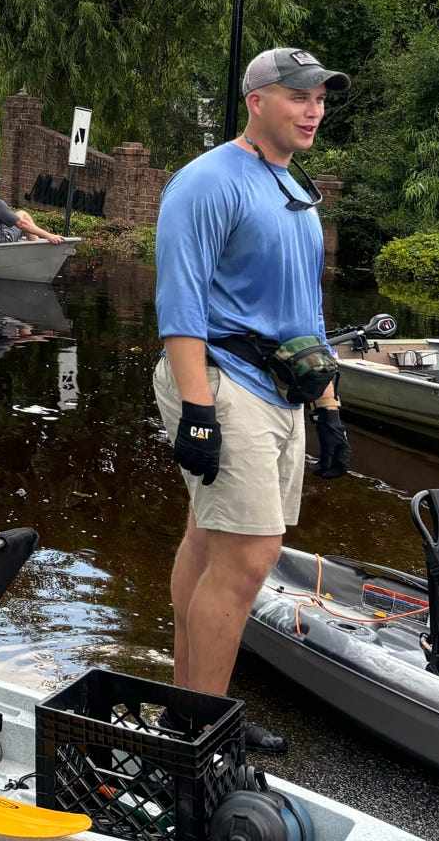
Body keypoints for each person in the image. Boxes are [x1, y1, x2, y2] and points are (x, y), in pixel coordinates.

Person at [152, 48, 352, 757]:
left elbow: (309, 312)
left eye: (322, 99)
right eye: (300, 97)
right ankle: (206, 733)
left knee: (210, 540)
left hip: (280, 389)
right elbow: (178, 304)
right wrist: (198, 411)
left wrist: (327, 406)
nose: (314, 110)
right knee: (251, 555)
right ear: (257, 100)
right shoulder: (207, 182)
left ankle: (184, 713)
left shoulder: (294, 189)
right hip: (220, 377)